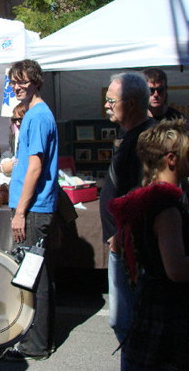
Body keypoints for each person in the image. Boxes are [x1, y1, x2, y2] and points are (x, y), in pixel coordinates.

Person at [110, 119, 189, 370]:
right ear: (172, 159)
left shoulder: (142, 198)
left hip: (149, 301)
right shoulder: (166, 208)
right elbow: (176, 269)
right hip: (169, 310)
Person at [6, 59, 59, 361]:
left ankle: (35, 344)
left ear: (37, 81)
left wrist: (19, 212)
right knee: (37, 274)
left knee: (31, 277)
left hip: (34, 209)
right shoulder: (35, 114)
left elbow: (35, 167)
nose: (17, 86)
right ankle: (37, 340)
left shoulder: (38, 116)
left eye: (23, 81)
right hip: (35, 207)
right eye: (14, 81)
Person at [99, 73, 155, 345]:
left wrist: (120, 238)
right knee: (122, 322)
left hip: (127, 247)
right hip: (121, 245)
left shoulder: (145, 140)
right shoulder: (132, 136)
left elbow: (140, 196)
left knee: (126, 323)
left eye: (111, 100)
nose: (106, 106)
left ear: (130, 103)